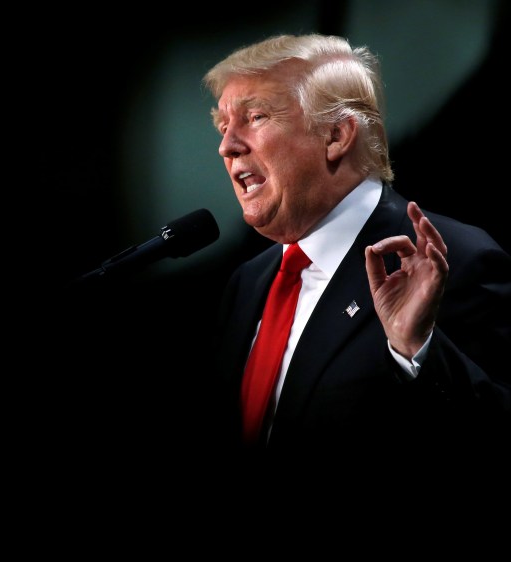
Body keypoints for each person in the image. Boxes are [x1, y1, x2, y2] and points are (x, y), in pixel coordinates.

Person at [202, 33, 510, 455]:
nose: (226, 146)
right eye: (223, 125)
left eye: (254, 117)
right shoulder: (248, 283)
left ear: (336, 135)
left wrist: (416, 351)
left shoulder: (452, 258)